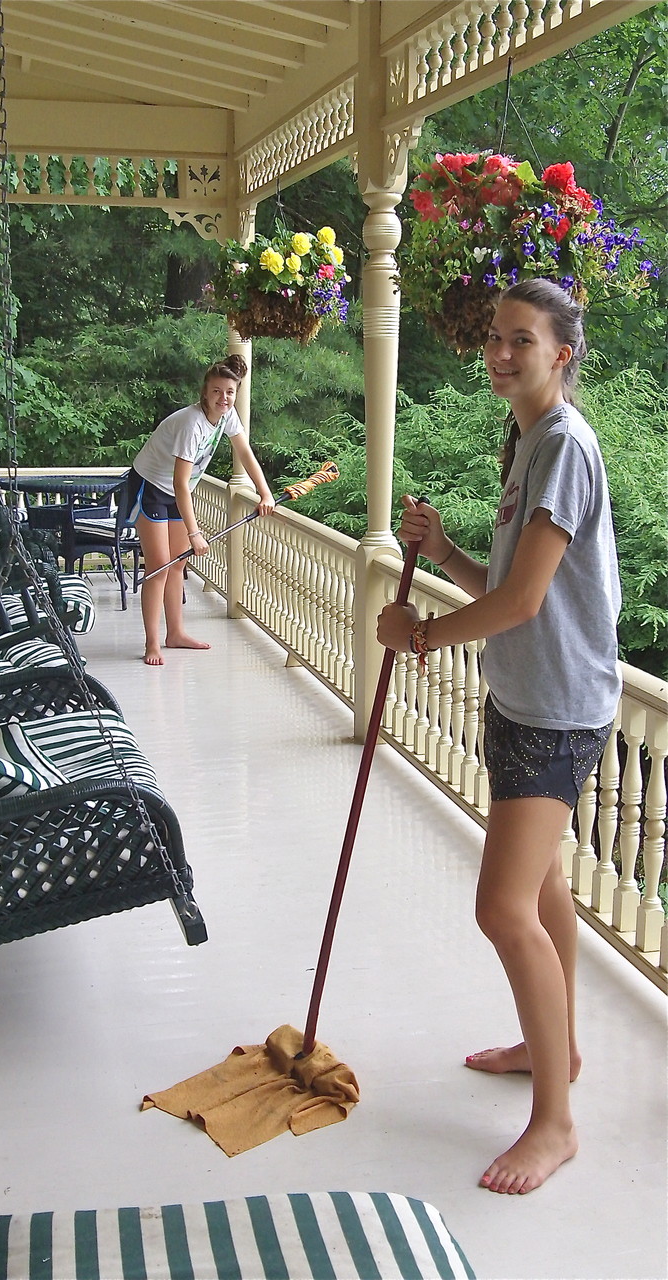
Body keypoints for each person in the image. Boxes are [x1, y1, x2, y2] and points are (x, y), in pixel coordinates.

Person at [377, 278, 621, 1195]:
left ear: (562, 353)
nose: (501, 352)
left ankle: (556, 1124)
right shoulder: (527, 442)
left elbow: (518, 604)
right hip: (526, 697)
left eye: (522, 339)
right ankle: (549, 1047)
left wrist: (424, 634)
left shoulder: (560, 444)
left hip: (558, 710)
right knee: (543, 889)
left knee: (501, 908)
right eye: (494, 337)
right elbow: (514, 585)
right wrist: (442, 556)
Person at [128, 354, 274, 664]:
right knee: (159, 567)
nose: (224, 398)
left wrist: (265, 494)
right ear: (205, 393)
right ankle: (152, 643)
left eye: (230, 392)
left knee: (177, 566)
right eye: (217, 391)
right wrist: (195, 533)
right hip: (152, 487)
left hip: (178, 492)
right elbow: (180, 483)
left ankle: (175, 633)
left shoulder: (228, 416)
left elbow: (245, 454)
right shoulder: (191, 425)